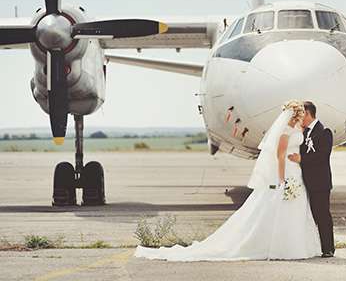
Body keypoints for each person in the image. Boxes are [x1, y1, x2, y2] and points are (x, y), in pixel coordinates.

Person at [134, 100, 321, 261]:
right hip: (287, 173)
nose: (304, 115)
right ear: (296, 114)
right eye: (302, 112)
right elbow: (280, 156)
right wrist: (282, 180)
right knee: (280, 208)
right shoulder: (285, 133)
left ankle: (295, 245)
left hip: (296, 172)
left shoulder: (297, 130)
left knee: (296, 208)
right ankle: (283, 247)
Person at [287, 101, 335, 257]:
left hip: (320, 182)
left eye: (302, 114)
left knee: (322, 215)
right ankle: (314, 246)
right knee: (311, 215)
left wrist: (301, 159)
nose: (300, 117)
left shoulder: (324, 132)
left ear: (308, 113)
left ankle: (328, 248)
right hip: (305, 181)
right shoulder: (304, 132)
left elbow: (322, 156)